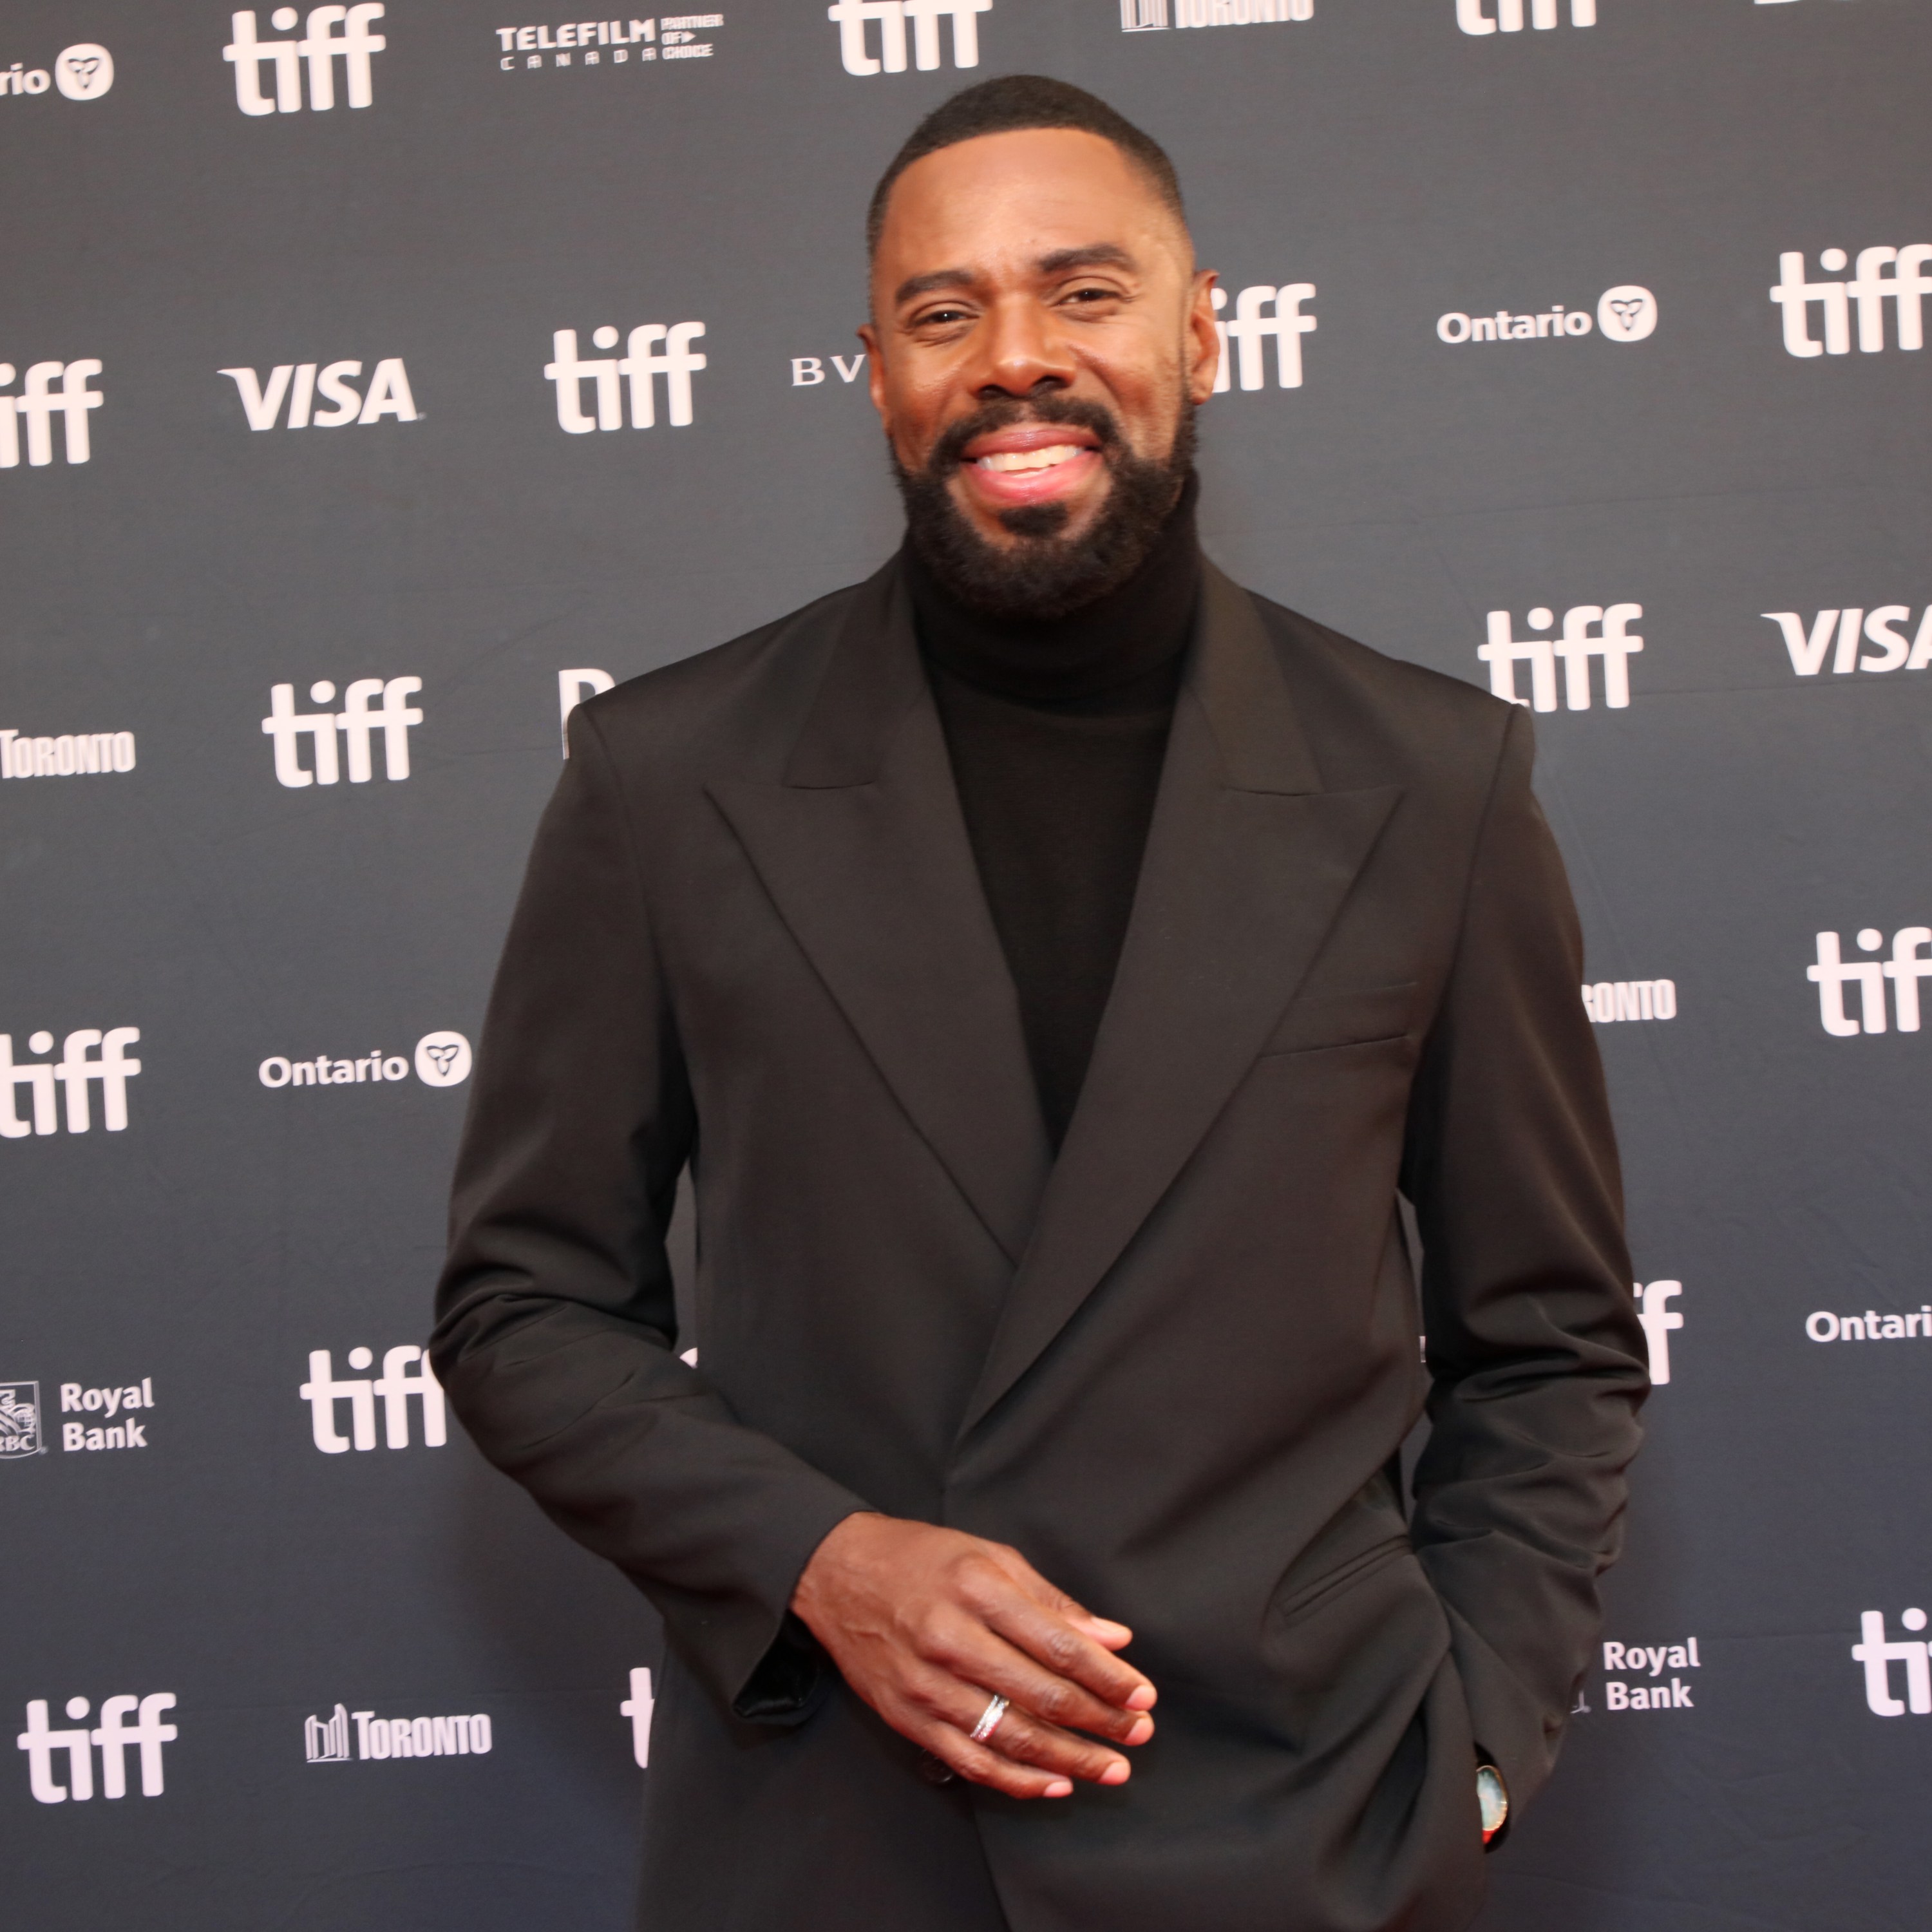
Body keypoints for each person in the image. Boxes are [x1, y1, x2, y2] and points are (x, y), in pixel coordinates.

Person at [431, 74, 1647, 1932]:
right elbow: (523, 1304)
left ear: (1201, 330)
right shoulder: (666, 778)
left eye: (1083, 293)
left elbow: (1548, 1338)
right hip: (837, 1839)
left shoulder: (1436, 778)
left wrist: (1469, 1756)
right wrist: (819, 1560)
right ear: (876, 370)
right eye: (946, 311)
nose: (1017, 359)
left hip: (1304, 1837)